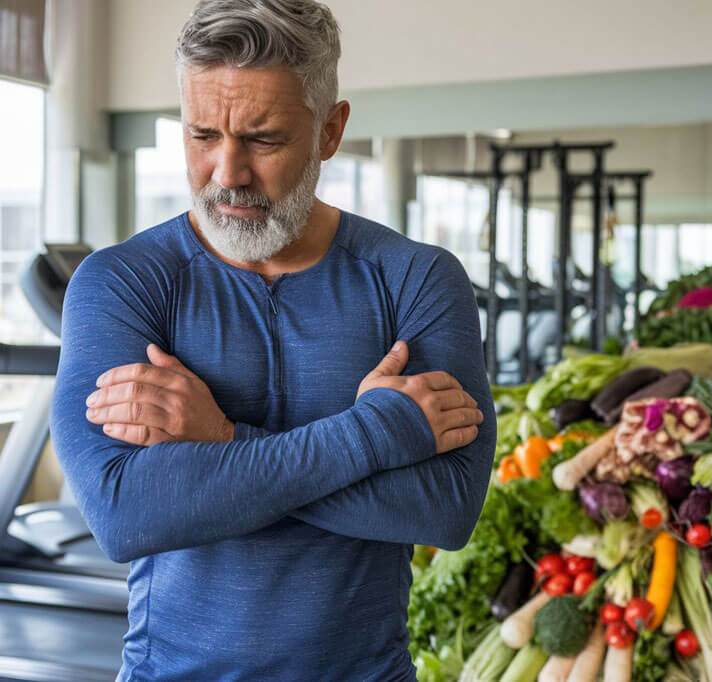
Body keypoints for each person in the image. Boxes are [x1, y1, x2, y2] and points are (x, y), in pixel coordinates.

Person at [49, 1, 496, 680]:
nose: (226, 172)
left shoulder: (416, 279)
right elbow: (127, 513)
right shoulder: (123, 282)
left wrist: (222, 444)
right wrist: (377, 436)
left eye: (262, 139)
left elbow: (445, 510)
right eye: (201, 134)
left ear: (330, 129)